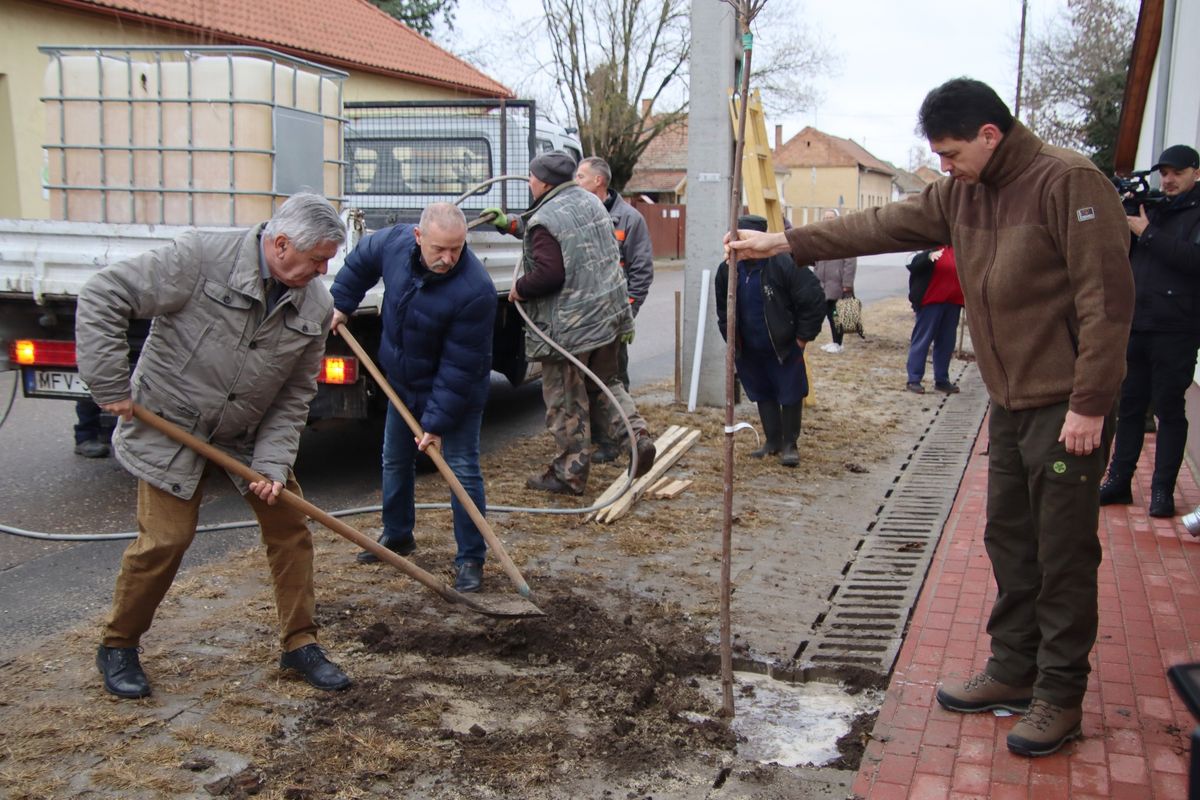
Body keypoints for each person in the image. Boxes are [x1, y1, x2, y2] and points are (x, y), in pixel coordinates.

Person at [727, 78, 1133, 758]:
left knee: (1062, 553)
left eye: (950, 153)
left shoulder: (1069, 182)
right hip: (1008, 400)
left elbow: (1108, 301)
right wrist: (784, 244)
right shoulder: (965, 193)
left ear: (989, 135)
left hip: (1065, 405)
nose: (943, 167)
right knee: (1010, 541)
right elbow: (882, 223)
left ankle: (1059, 697)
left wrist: (1090, 402)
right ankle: (1011, 668)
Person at [75, 192, 352, 699]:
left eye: (329, 260)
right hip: (171, 423)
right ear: (282, 243)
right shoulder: (200, 258)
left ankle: (300, 643)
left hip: (246, 433)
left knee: (291, 527)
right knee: (167, 540)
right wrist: (109, 384)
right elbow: (104, 293)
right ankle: (118, 644)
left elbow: (294, 396)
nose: (324, 269)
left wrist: (270, 464)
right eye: (318, 259)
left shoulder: (317, 305)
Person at [330, 203, 496, 592]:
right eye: (439, 248)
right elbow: (360, 262)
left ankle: (471, 558)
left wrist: (435, 424)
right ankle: (398, 534)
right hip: (403, 381)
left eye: (456, 248)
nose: (448, 258)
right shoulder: (394, 243)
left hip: (456, 393)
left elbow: (459, 369)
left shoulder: (476, 291)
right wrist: (342, 301)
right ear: (418, 237)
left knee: (460, 470)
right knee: (395, 458)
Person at [499, 150, 656, 495]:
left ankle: (568, 474)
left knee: (566, 401)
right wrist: (511, 224)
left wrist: (520, 288)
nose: (529, 182)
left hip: (570, 330)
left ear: (543, 181)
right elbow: (567, 235)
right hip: (608, 319)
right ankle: (637, 435)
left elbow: (549, 274)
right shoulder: (591, 203)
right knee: (606, 384)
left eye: (531, 177)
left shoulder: (545, 219)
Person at [1099, 144, 1200, 518]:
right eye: (1164, 173)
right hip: (1137, 323)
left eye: (1177, 172)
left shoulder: (1189, 214)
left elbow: (1193, 260)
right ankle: (1118, 481)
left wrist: (1148, 233)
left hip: (1177, 328)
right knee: (1130, 408)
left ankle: (1162, 491)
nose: (1169, 180)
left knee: (1169, 410)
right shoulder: (1150, 208)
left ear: (1196, 173)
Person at [715, 215, 825, 466]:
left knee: (790, 392)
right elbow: (723, 309)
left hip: (782, 346)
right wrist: (731, 340)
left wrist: (802, 338)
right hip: (749, 348)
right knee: (761, 392)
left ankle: (790, 445)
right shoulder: (727, 270)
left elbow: (813, 299)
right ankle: (772, 441)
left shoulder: (785, 264)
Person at [573, 156, 655, 392]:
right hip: (581, 317)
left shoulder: (629, 219)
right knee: (582, 385)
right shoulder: (575, 215)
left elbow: (641, 272)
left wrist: (626, 315)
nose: (575, 182)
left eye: (580, 176)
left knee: (613, 383)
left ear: (598, 180)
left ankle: (622, 428)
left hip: (611, 318)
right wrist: (513, 225)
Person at [904, 246, 964, 394]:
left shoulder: (960, 248)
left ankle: (942, 380)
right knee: (923, 340)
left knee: (947, 343)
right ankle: (914, 379)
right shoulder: (932, 248)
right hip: (931, 303)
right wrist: (928, 257)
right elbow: (914, 265)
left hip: (953, 303)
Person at [811, 209, 857, 354]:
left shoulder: (843, 238)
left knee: (836, 315)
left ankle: (838, 343)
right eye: (826, 217)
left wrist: (847, 284)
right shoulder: (820, 238)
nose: (828, 220)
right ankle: (834, 341)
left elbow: (850, 262)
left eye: (831, 217)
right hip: (823, 284)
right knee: (826, 314)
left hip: (837, 284)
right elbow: (816, 260)